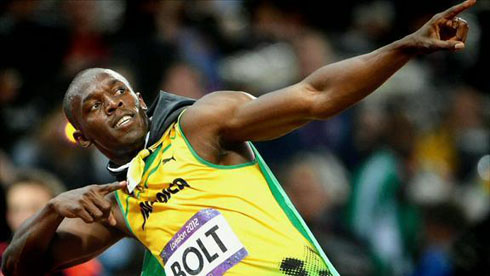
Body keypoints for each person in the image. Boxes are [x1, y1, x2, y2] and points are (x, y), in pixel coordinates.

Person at [1, 1, 475, 275]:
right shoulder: (118, 203)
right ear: (82, 137)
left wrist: (405, 45)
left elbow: (314, 95)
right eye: (95, 107)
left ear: (141, 99)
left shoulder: (202, 125)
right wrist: (49, 210)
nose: (114, 104)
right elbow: (18, 267)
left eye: (119, 92)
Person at [2, 170, 103, 276]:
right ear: (8, 216)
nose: (24, 218)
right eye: (16, 209)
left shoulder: (82, 267)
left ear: (62, 213)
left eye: (35, 208)